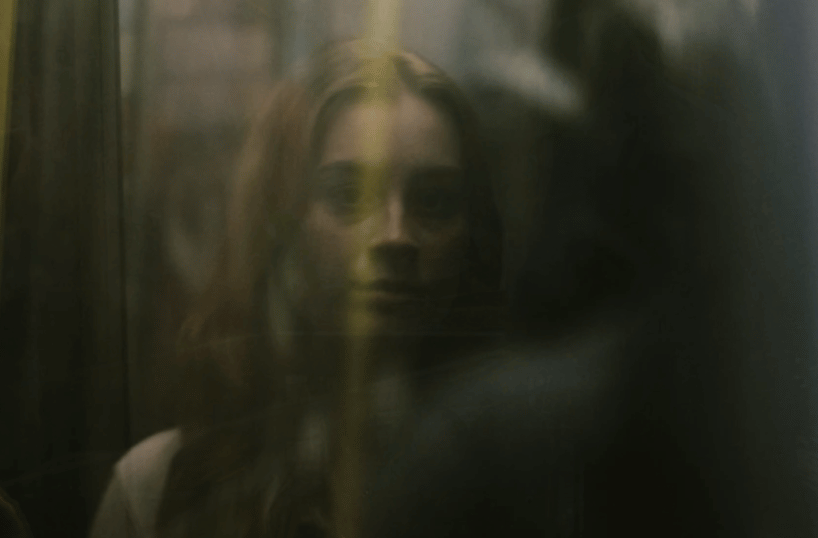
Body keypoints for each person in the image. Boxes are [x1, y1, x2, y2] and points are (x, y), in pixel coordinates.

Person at [88, 40, 505, 538]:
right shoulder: (160, 488)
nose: (396, 235)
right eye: (349, 194)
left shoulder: (524, 485)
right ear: (281, 219)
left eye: (434, 201)